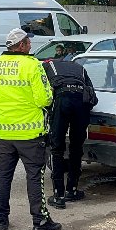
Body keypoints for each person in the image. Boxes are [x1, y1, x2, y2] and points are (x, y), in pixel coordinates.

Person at [0, 28, 61, 230]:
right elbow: (44, 99)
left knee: (4, 176)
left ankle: (0, 220)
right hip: (30, 133)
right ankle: (40, 221)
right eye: (28, 42)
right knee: (34, 177)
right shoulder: (32, 65)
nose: (30, 45)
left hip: (4, 131)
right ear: (21, 45)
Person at [43, 57, 97, 208]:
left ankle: (58, 196)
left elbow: (42, 93)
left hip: (61, 99)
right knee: (76, 148)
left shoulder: (47, 67)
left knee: (56, 148)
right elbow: (92, 94)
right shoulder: (79, 67)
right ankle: (72, 191)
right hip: (81, 102)